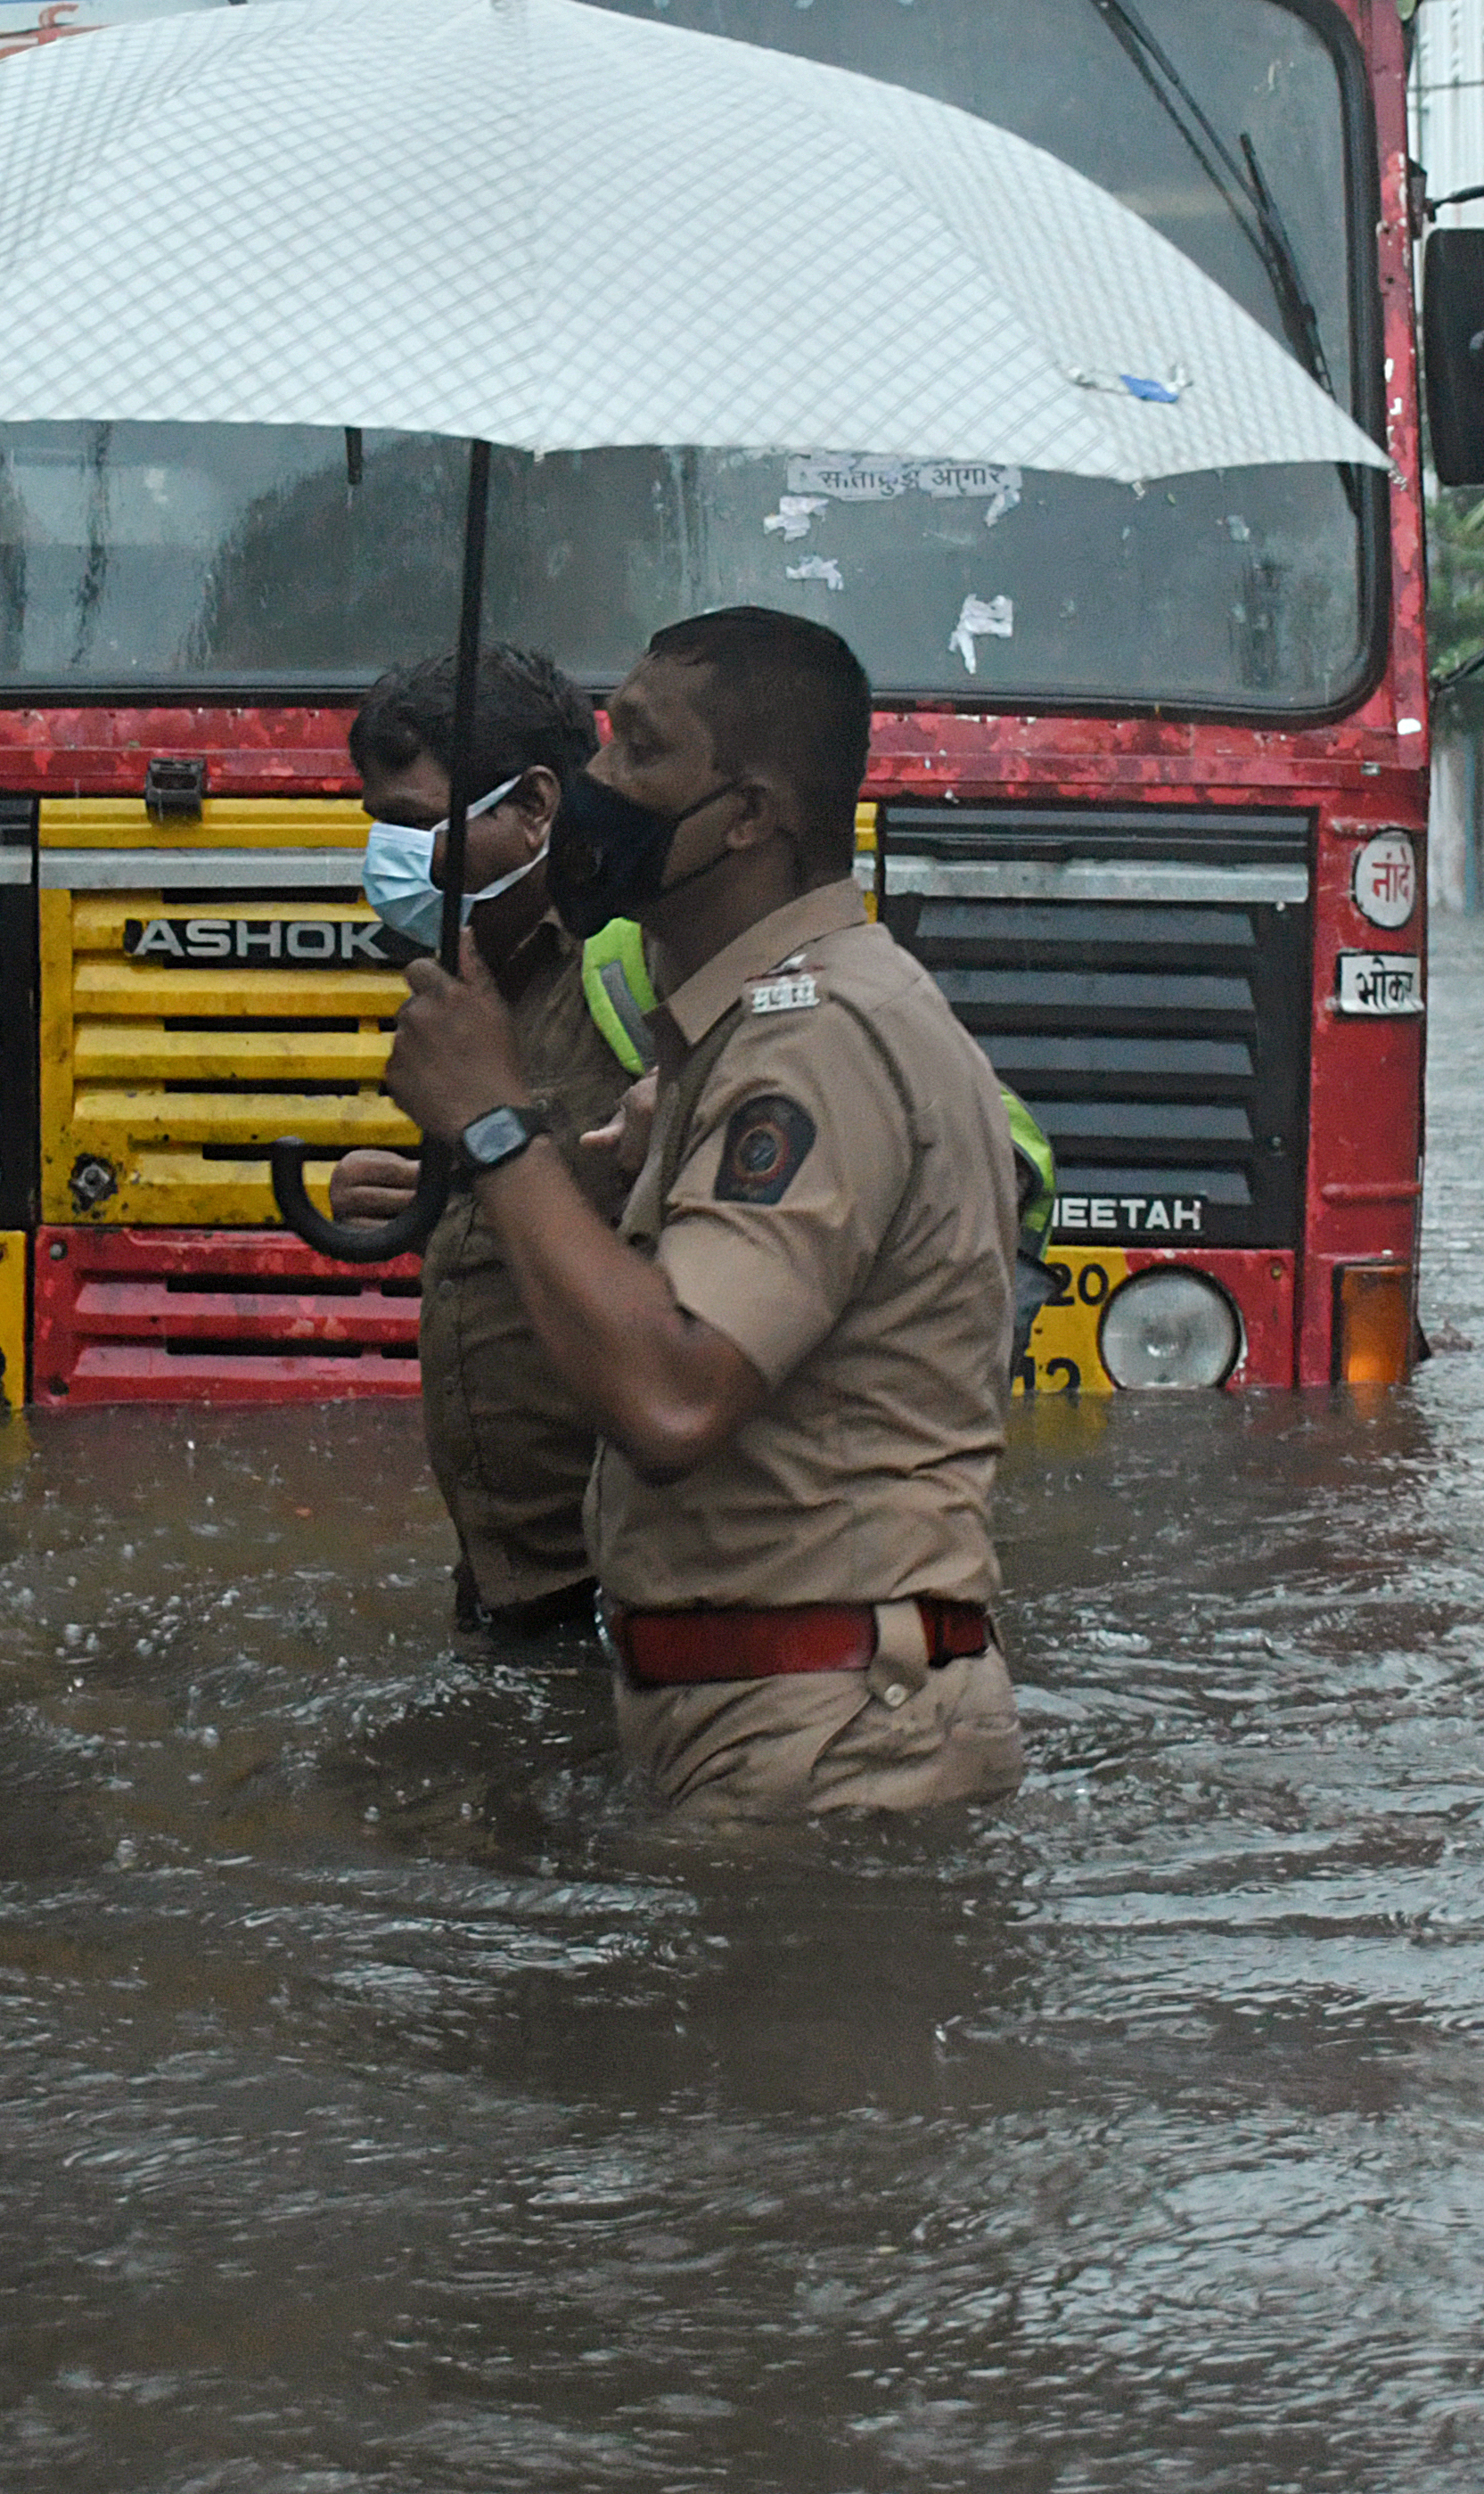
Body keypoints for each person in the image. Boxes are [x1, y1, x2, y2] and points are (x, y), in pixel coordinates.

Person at [382, 608, 1023, 1817]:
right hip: (775, 1719)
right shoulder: (752, 1027)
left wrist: (496, 1123)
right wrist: (545, 1175)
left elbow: (675, 1393)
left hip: (825, 1746)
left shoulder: (816, 1038)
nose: (593, 788)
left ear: (748, 814)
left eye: (638, 751)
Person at [328, 645, 638, 1639]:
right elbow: (555, 1216)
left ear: (536, 805)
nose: (389, 859)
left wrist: (698, 1097)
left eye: (415, 827)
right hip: (512, 1584)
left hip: (635, 1583)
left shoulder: (641, 963)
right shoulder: (464, 991)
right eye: (377, 829)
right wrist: (434, 1205)